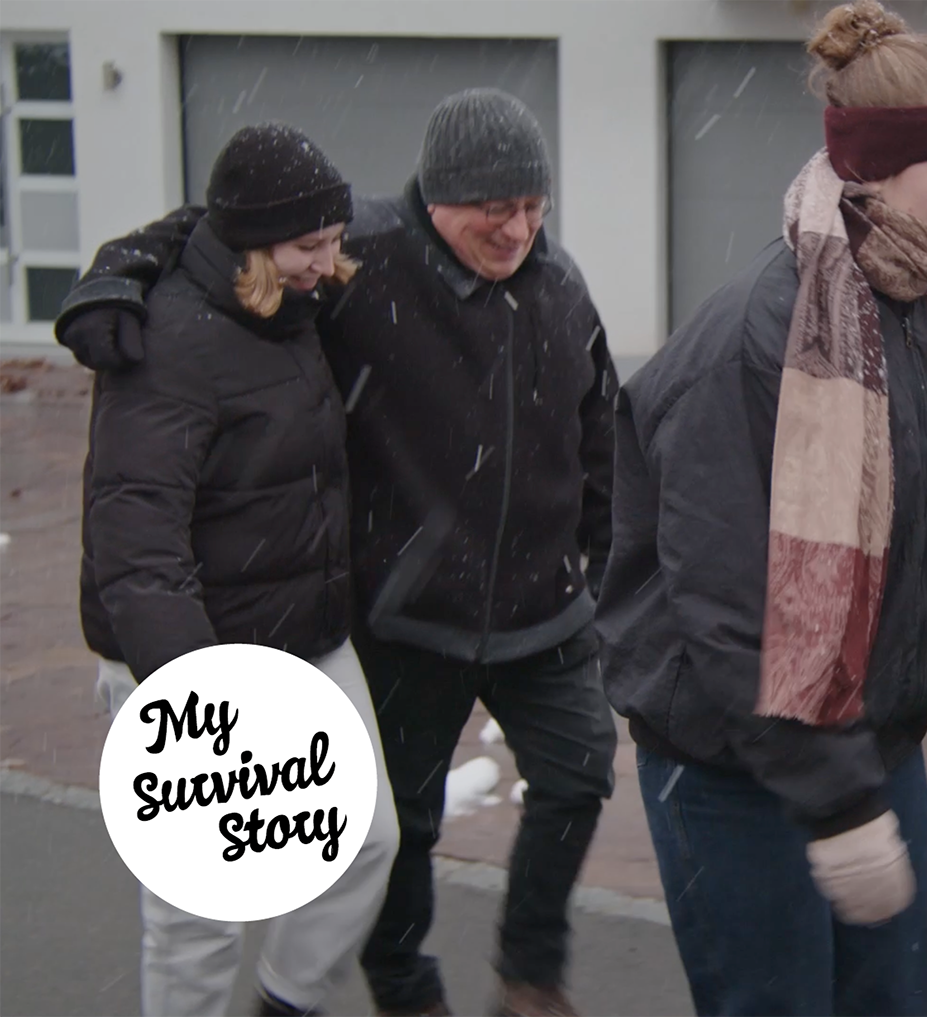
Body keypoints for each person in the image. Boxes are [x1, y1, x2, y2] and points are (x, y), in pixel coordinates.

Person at [58, 89, 620, 1017]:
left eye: (535, 206)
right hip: (312, 634)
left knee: (442, 816)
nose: (520, 228)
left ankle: (423, 985)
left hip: (430, 619)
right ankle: (394, 989)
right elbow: (138, 537)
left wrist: (601, 562)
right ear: (435, 200)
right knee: (261, 881)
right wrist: (122, 267)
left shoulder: (525, 287)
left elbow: (600, 431)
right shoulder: (301, 287)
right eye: (496, 207)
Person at [593, 4, 927, 1015]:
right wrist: (834, 798)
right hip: (734, 768)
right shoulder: (755, 342)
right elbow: (726, 605)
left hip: (872, 745)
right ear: (879, 170)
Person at [81, 123, 400, 1017]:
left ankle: (284, 1002)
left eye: (334, 240)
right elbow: (135, 539)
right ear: (253, 244)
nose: (330, 262)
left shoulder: (285, 300)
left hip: (302, 634)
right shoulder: (168, 346)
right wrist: (196, 696)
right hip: (189, 661)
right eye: (311, 246)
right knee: (200, 912)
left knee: (365, 839)